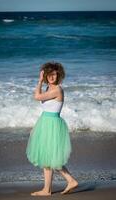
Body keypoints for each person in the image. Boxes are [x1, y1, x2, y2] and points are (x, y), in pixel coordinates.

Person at [26, 61, 78, 196]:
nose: (52, 77)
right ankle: (47, 189)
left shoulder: (57, 89)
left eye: (54, 74)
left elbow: (37, 97)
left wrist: (39, 81)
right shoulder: (49, 89)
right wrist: (36, 127)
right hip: (45, 123)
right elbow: (45, 110)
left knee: (51, 158)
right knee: (47, 158)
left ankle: (69, 180)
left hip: (52, 125)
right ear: (46, 76)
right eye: (49, 74)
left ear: (58, 75)